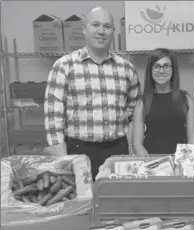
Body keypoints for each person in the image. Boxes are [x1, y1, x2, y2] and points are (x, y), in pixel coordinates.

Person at [44, 7, 141, 180]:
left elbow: (133, 111)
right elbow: (53, 120)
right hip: (78, 152)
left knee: (118, 203)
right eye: (95, 25)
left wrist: (133, 150)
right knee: (83, 205)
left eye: (107, 26)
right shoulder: (64, 66)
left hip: (118, 152)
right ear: (84, 28)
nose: (101, 31)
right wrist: (64, 161)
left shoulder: (126, 68)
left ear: (113, 31)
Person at [132, 48, 194, 155]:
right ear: (150, 70)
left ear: (173, 70)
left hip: (181, 163)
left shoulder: (186, 99)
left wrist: (183, 163)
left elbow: (193, 140)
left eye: (166, 66)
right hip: (152, 164)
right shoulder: (142, 103)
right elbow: (137, 144)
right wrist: (150, 165)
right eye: (157, 66)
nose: (161, 71)